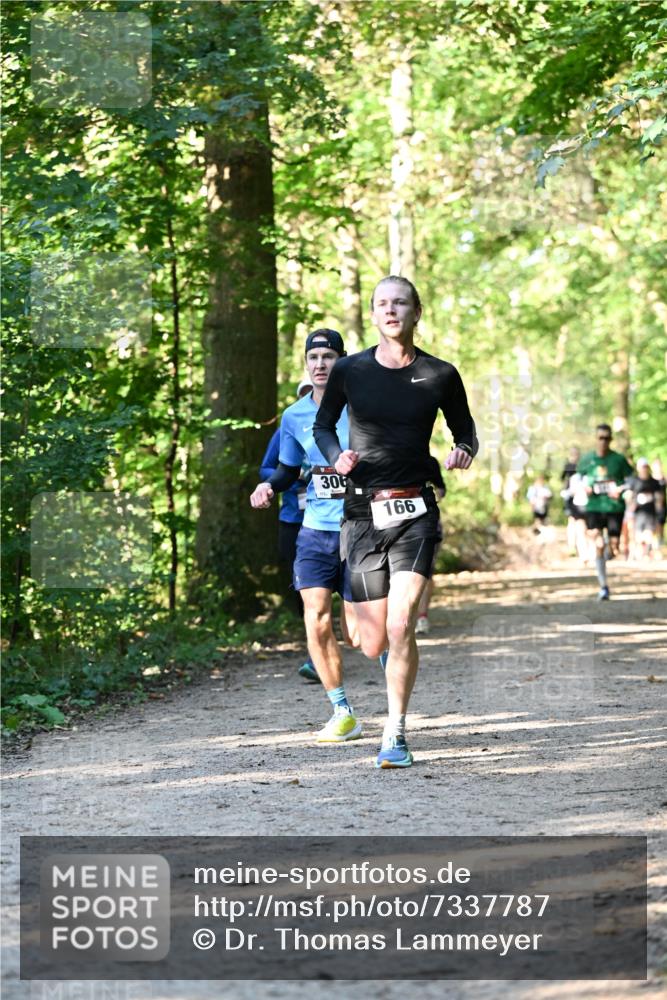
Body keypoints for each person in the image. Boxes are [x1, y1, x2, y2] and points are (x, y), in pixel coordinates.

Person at [314, 275, 477, 769]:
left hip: (415, 510)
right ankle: (377, 651)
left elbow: (465, 428)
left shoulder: (440, 373)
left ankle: (396, 732)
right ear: (372, 313)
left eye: (400, 303)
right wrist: (336, 455)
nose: (391, 310)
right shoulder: (350, 370)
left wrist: (463, 449)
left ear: (416, 312)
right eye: (382, 303)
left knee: (402, 623)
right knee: (370, 642)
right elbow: (323, 425)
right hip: (362, 512)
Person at [250, 329, 361, 743]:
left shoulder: (362, 408)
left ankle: (392, 704)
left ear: (341, 361)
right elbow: (286, 470)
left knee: (361, 635)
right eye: (313, 357)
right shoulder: (294, 416)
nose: (320, 364)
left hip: (361, 528)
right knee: (315, 617)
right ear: (306, 364)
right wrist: (268, 487)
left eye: (328, 356)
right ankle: (342, 711)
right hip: (314, 530)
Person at [259, 378, 318, 681]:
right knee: (303, 587)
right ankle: (316, 651)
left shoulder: (343, 423)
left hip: (335, 518)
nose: (310, 398)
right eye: (304, 394)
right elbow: (267, 468)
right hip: (294, 517)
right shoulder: (288, 426)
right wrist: (293, 477)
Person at [577, 424, 633, 600]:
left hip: (614, 507)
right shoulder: (587, 459)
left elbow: (631, 481)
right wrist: (584, 487)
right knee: (598, 543)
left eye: (607, 438)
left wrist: (620, 489)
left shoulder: (619, 459)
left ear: (611, 439)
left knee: (613, 548)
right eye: (601, 438)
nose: (604, 441)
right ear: (596, 439)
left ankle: (610, 548)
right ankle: (603, 586)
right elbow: (577, 479)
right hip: (594, 507)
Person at [625, 458, 664, 560]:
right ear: (638, 468)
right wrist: (630, 508)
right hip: (637, 513)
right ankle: (636, 553)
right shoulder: (634, 481)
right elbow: (628, 496)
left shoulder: (654, 482)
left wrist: (659, 511)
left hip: (650, 513)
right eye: (642, 467)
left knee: (649, 534)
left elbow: (659, 498)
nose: (644, 469)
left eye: (646, 467)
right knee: (637, 535)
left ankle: (645, 553)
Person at [560, 447, 580, 554]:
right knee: (572, 520)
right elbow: (562, 478)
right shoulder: (568, 466)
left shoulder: (582, 466)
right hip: (570, 496)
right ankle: (572, 545)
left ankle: (578, 545)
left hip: (580, 496)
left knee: (580, 521)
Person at [651, 458, 666, 550]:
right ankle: (653, 545)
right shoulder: (650, 478)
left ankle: (660, 544)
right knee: (652, 525)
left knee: (661, 524)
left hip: (662, 506)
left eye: (659, 465)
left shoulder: (664, 478)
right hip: (651, 506)